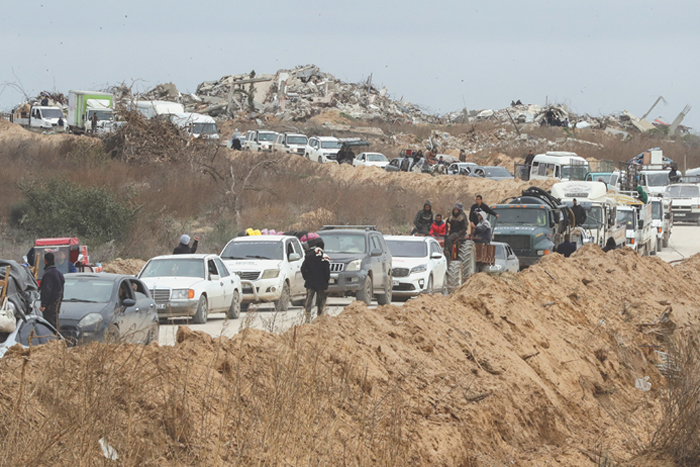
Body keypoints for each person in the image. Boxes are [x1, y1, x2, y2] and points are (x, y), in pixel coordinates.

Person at [300, 237, 331, 324]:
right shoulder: (325, 258)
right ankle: (320, 318)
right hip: (321, 284)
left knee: (309, 301)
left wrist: (306, 278)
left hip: (310, 283)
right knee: (320, 302)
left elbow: (303, 268)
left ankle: (307, 318)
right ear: (323, 248)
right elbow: (327, 272)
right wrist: (326, 281)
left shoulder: (309, 255)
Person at [40, 252, 65, 332]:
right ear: (54, 260)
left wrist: (43, 304)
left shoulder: (48, 274)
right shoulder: (59, 273)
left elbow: (47, 290)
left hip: (50, 304)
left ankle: (51, 339)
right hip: (57, 303)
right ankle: (56, 339)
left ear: (45, 261)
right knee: (55, 323)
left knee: (49, 324)